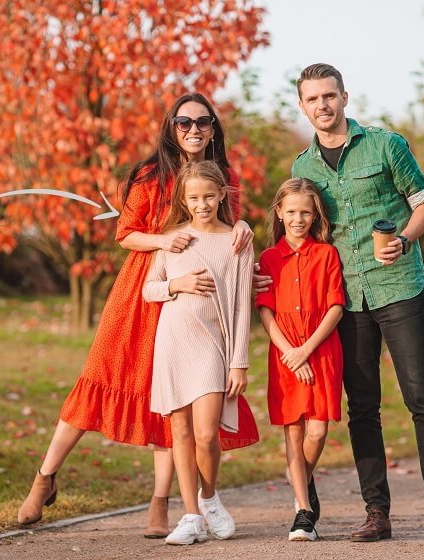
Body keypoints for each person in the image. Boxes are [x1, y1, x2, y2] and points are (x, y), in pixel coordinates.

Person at [17, 94, 260, 537]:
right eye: (184, 121)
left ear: (213, 129)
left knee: (174, 401)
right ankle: (46, 475)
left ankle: (162, 503)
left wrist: (246, 230)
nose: (193, 129)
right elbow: (125, 235)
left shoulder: (224, 177)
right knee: (100, 377)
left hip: (196, 309)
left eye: (203, 122)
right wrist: (163, 241)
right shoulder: (151, 175)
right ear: (171, 127)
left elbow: (225, 237)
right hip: (143, 290)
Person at [290, 63, 424, 548]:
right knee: (362, 408)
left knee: (422, 400)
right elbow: (303, 232)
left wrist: (405, 241)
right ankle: (377, 513)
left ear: (345, 97)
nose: (322, 105)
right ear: (302, 106)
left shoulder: (388, 144)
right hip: (344, 300)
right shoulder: (302, 168)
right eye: (312, 99)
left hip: (400, 288)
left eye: (329, 95)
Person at [143, 160, 255, 545]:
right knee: (180, 431)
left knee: (207, 434)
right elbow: (149, 289)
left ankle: (209, 498)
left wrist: (238, 361)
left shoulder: (237, 240)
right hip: (173, 341)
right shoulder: (174, 238)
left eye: (209, 196)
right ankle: (190, 515)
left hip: (212, 344)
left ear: (222, 194)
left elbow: (242, 304)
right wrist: (178, 283)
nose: (202, 204)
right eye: (194, 198)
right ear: (184, 200)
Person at [255, 178, 344, 542]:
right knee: (293, 430)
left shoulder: (326, 254)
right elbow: (265, 312)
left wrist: (306, 350)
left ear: (314, 215)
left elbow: (336, 305)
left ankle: (300, 479)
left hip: (321, 351)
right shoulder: (267, 258)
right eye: (291, 211)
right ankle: (303, 511)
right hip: (284, 353)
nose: (298, 218)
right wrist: (290, 354)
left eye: (305, 212)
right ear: (279, 212)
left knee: (318, 430)